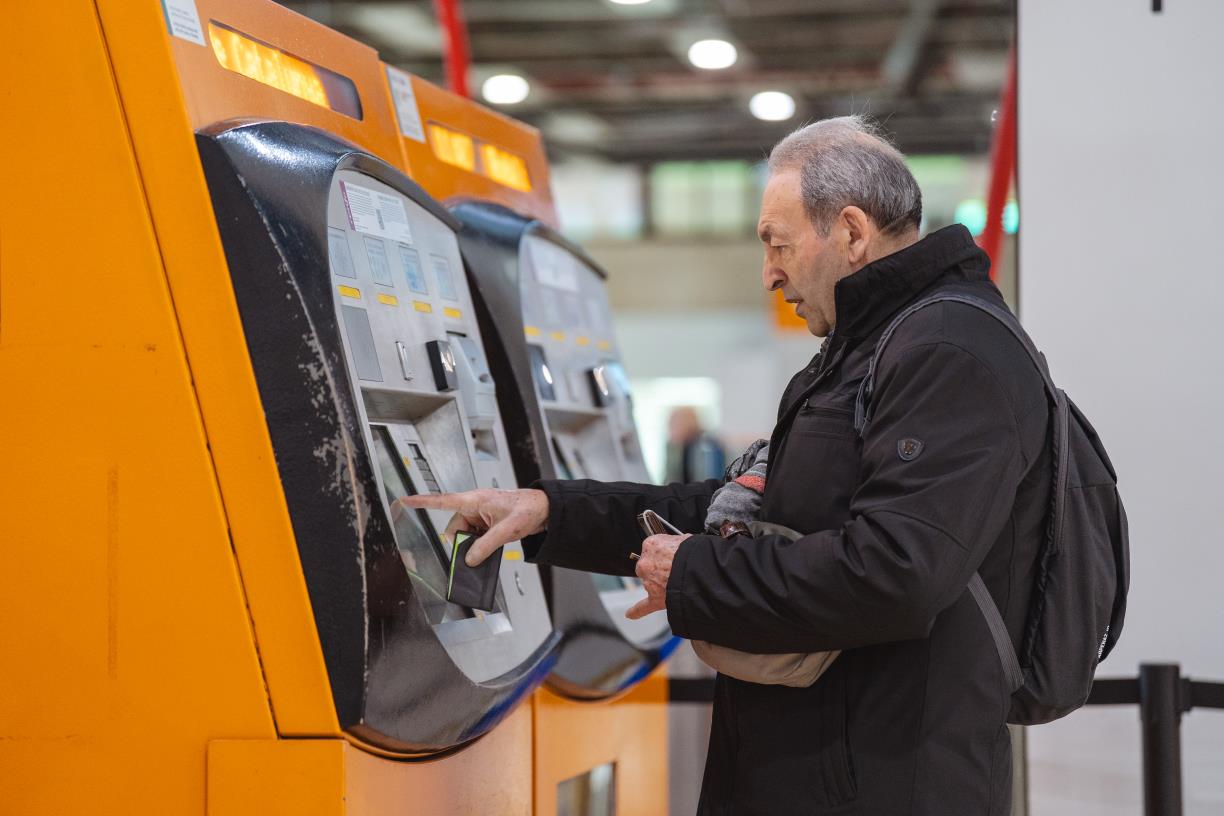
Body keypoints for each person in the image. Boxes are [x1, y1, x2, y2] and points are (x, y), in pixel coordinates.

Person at [408, 115, 1050, 815]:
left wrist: (694, 574)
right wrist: (550, 512)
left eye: (777, 244)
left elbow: (897, 570)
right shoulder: (869, 350)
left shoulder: (949, 352)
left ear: (852, 233)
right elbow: (740, 509)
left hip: (882, 781)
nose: (769, 272)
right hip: (818, 764)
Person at [664, 406, 728, 484]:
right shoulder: (675, 446)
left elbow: (710, 483)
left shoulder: (708, 447)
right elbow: (669, 480)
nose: (669, 428)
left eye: (673, 423)